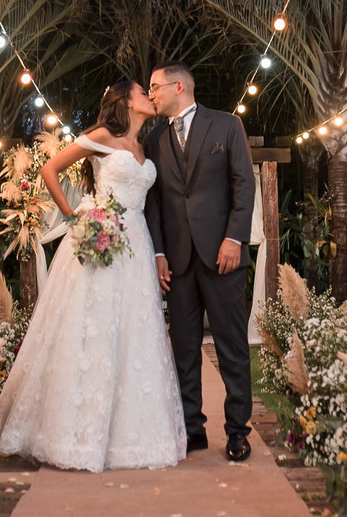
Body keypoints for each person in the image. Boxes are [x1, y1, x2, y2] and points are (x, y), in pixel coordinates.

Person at [0, 81, 186, 472]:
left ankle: (133, 434)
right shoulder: (102, 135)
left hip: (138, 242)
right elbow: (49, 168)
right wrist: (73, 215)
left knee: (135, 331)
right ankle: (78, 434)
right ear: (124, 101)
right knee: (94, 328)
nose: (149, 96)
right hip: (102, 239)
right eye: (141, 91)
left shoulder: (145, 146)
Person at [145, 61, 256, 462]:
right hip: (178, 261)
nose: (150, 94)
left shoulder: (226, 125)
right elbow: (153, 202)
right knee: (184, 349)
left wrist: (233, 238)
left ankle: (238, 432)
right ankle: (192, 430)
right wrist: (158, 252)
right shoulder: (155, 138)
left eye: (155, 87)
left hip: (223, 257)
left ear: (179, 87)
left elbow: (244, 182)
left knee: (232, 347)